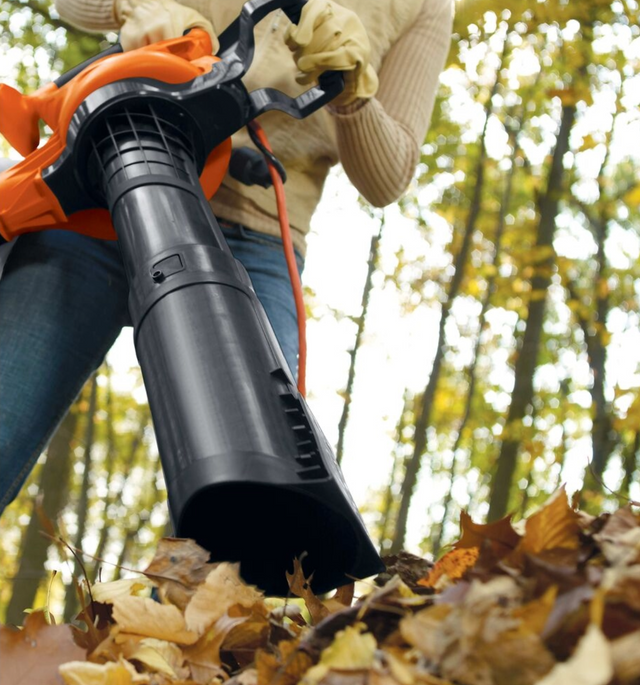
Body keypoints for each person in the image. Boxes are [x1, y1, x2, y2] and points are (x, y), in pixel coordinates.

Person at [0, 0, 452, 515]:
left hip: (251, 240)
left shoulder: (424, 6)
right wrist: (136, 7)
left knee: (257, 487)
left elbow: (388, 177)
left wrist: (353, 94)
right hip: (100, 188)